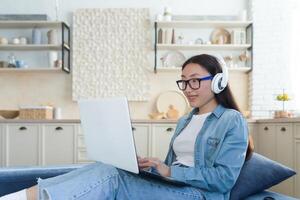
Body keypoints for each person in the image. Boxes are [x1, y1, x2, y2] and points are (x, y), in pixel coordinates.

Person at [1, 54, 253, 200]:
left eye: (195, 81)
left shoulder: (232, 120)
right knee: (106, 167)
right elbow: (172, 166)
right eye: (184, 82)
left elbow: (224, 179)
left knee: (109, 178)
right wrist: (153, 168)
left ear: (219, 82)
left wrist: (169, 172)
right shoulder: (185, 120)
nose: (188, 89)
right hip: (176, 187)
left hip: (198, 195)